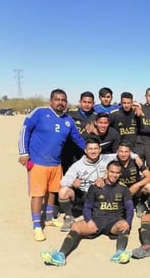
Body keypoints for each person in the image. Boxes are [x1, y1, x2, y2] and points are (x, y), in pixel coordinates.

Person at [18, 89, 86, 241]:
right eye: (57, 99)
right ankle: (36, 225)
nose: (60, 102)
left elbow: (78, 139)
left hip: (56, 163)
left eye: (63, 100)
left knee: (52, 191)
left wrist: (90, 150)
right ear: (51, 101)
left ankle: (48, 219)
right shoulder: (40, 113)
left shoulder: (68, 120)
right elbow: (25, 130)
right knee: (38, 194)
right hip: (38, 162)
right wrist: (23, 152)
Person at [40, 161, 134, 266]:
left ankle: (119, 253)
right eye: (112, 172)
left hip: (114, 221)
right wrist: (89, 220)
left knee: (124, 225)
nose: (114, 175)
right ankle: (60, 255)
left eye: (117, 173)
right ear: (106, 172)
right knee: (75, 226)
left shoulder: (124, 189)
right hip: (96, 220)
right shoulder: (95, 187)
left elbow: (129, 209)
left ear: (120, 174)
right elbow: (87, 207)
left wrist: (128, 223)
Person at [58, 138, 114, 232]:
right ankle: (69, 217)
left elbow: (124, 154)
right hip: (84, 195)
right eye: (90, 149)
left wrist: (136, 157)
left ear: (100, 150)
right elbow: (63, 181)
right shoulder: (78, 165)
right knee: (63, 191)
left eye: (95, 149)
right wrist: (72, 182)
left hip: (101, 195)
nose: (93, 151)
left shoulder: (107, 158)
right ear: (85, 150)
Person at [114, 141, 150, 217]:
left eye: (126, 152)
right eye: (121, 151)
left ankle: (141, 204)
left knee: (149, 186)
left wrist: (136, 185)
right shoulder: (113, 163)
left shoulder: (136, 162)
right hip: (120, 191)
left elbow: (149, 177)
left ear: (130, 152)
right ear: (117, 152)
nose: (123, 154)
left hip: (135, 190)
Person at [61, 91, 96, 173]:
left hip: (85, 154)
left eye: (89, 102)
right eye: (84, 102)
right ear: (80, 102)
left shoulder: (96, 117)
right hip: (68, 152)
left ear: (93, 103)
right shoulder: (69, 114)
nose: (87, 104)